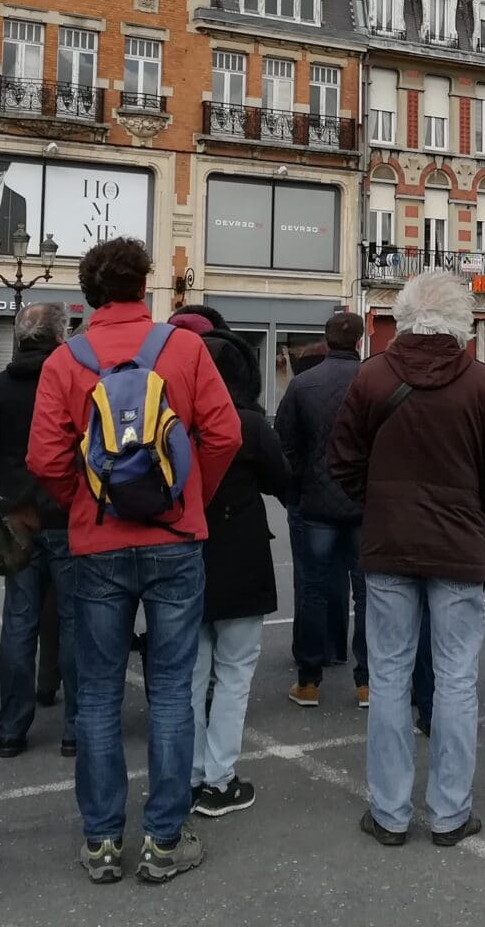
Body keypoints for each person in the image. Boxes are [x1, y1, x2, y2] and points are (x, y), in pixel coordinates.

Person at [28, 238, 242, 886]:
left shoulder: (66, 360)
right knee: (174, 689)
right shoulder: (184, 348)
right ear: (145, 284)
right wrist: (183, 493)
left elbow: (44, 457)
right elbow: (225, 432)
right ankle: (164, 839)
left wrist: (87, 500)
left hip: (98, 543)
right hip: (175, 541)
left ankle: (100, 842)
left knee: (95, 691)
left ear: (90, 293)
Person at [329, 269, 485, 849]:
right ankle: (449, 811)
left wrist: (380, 501)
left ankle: (389, 812)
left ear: (404, 317)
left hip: (389, 544)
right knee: (456, 678)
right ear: (463, 322)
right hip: (459, 548)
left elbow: (341, 463)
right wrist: (472, 508)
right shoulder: (484, 385)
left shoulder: (371, 377)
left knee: (388, 675)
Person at [173, 312, 286, 818]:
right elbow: (283, 482)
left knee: (192, 673)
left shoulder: (175, 416)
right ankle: (219, 777)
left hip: (185, 552)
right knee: (235, 671)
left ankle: (191, 774)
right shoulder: (248, 422)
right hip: (240, 552)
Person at [0, 301, 77, 759]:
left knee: (18, 622)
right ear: (61, 336)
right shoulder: (73, 382)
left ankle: (12, 727)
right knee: (76, 620)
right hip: (65, 513)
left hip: (17, 515)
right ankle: (75, 727)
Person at [275, 311, 368, 710]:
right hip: (365, 503)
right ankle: (366, 683)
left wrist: (294, 492)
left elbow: (286, 446)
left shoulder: (302, 384)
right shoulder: (374, 381)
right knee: (368, 594)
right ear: (360, 342)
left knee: (312, 589)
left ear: (328, 342)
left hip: (315, 503)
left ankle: (309, 680)